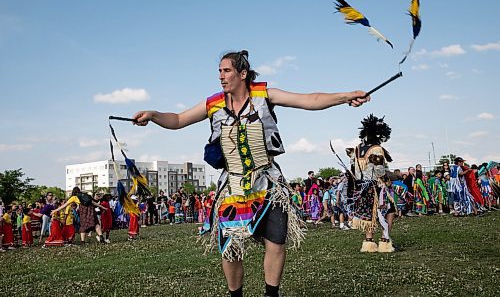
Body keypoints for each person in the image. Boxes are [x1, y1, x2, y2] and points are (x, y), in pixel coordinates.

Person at [132, 50, 369, 297]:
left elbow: (309, 100)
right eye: (220, 72)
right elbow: (179, 119)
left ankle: (271, 294)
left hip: (268, 183)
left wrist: (345, 96)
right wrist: (154, 115)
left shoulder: (264, 95)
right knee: (230, 248)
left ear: (242, 73)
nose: (221, 77)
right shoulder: (213, 104)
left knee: (276, 241)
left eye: (227, 71)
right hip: (232, 187)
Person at [349, 114, 394, 253]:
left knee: (368, 215)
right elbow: (379, 170)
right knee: (390, 210)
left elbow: (353, 168)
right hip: (377, 186)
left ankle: (368, 243)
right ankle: (385, 241)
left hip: (361, 186)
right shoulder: (376, 149)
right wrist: (387, 180)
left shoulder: (356, 149)